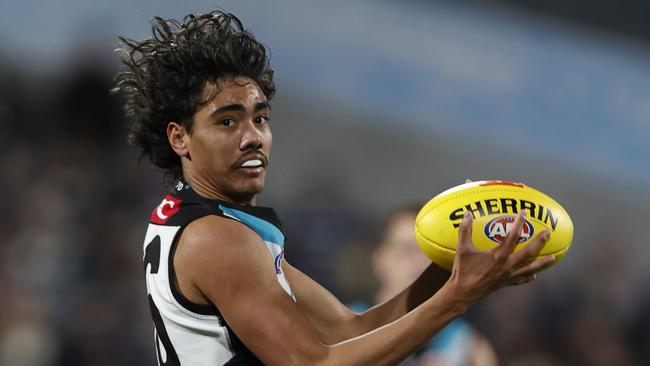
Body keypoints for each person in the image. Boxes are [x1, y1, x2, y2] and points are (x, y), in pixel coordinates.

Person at [113, 11, 555, 365]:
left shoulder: (208, 222)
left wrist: (447, 266)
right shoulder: (218, 240)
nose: (253, 137)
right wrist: (459, 297)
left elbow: (350, 331)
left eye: (260, 118)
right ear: (179, 138)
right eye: (227, 121)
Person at [370, 205, 498, 366]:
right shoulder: (338, 335)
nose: (421, 263)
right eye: (408, 250)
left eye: (432, 253)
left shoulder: (469, 347)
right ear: (381, 258)